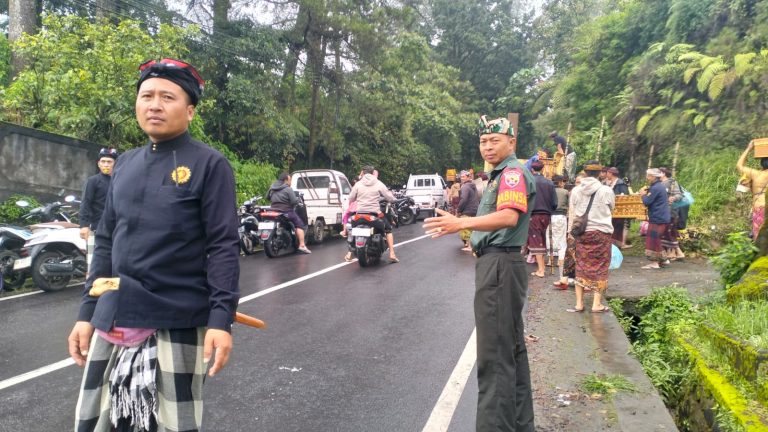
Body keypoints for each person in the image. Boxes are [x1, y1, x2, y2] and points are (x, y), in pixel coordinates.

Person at [68, 58, 240, 431]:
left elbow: (223, 245)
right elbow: (106, 240)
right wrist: (86, 313)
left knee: (171, 425)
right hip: (114, 314)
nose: (154, 105)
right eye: (146, 96)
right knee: (99, 423)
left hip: (176, 320)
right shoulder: (125, 164)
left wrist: (220, 319)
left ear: (190, 110)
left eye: (167, 97)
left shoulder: (210, 165)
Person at [424, 115, 535, 432]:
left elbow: (509, 217)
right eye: (483, 141)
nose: (488, 147)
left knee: (494, 357)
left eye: (495, 140)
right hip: (501, 264)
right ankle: (520, 425)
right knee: (511, 349)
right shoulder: (501, 174)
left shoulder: (511, 174)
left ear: (511, 142)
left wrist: (461, 223)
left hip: (499, 266)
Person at [566, 162, 615, 313]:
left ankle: (579, 304)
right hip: (601, 232)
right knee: (601, 266)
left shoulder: (576, 190)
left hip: (582, 233)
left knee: (580, 264)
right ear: (600, 173)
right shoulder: (606, 190)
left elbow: (573, 210)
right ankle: (596, 304)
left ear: (585, 173)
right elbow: (612, 208)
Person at [348, 165, 399, 263]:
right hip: (373, 215)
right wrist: (394, 200)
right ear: (372, 173)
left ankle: (349, 253)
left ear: (363, 173)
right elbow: (389, 197)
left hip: (359, 215)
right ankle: (392, 254)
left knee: (352, 230)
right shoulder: (378, 183)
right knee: (388, 229)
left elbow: (351, 198)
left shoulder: (358, 184)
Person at [79, 148, 119, 269]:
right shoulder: (93, 181)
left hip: (117, 229)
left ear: (115, 164)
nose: (106, 165)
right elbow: (86, 202)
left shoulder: (120, 181)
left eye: (109, 162)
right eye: (103, 161)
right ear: (98, 164)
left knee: (115, 263)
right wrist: (84, 225)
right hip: (96, 229)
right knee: (93, 263)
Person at [268, 172, 311, 254]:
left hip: (273, 210)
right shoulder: (288, 189)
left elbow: (267, 197)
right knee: (299, 224)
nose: (290, 182)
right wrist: (298, 201)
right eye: (290, 180)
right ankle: (302, 245)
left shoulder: (272, 187)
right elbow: (294, 201)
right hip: (286, 211)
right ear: (285, 180)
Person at [527, 160, 557, 278]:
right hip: (546, 215)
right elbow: (554, 203)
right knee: (541, 239)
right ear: (543, 169)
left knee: (536, 240)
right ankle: (542, 267)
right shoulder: (549, 183)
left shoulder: (529, 181)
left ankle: (541, 270)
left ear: (532, 169)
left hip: (534, 214)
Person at [736, 140, 768, 239]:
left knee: (758, 237)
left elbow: (739, 165)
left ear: (762, 164)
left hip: (760, 207)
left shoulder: (756, 174)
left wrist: (749, 148)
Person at [640, 168, 670, 269]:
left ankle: (654, 263)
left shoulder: (656, 188)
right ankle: (663, 260)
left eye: (648, 176)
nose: (647, 178)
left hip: (658, 217)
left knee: (652, 240)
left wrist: (643, 195)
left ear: (653, 177)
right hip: (661, 216)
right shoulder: (659, 186)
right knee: (656, 239)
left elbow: (647, 201)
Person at [548, 175, 569, 289]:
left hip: (550, 215)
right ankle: (559, 260)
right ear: (560, 182)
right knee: (561, 238)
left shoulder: (549, 191)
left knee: (550, 237)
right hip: (561, 216)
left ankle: (550, 259)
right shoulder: (565, 192)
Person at [659, 167, 685, 261]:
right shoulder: (659, 183)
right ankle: (672, 253)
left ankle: (677, 252)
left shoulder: (672, 183)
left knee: (669, 232)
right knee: (667, 232)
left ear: (663, 173)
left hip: (670, 211)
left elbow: (679, 195)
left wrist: (673, 198)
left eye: (659, 172)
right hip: (662, 211)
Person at [603, 167, 631, 249]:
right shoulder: (608, 183)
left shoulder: (621, 184)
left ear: (611, 174)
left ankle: (617, 246)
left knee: (617, 228)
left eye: (607, 173)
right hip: (610, 210)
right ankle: (609, 245)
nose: (606, 174)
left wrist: (618, 197)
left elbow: (626, 197)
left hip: (619, 211)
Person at [457, 169, 481, 252]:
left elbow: (463, 199)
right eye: (461, 177)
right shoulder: (473, 186)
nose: (462, 178)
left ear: (468, 177)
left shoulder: (465, 187)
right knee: (472, 228)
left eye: (463, 177)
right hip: (475, 209)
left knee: (465, 228)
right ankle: (470, 244)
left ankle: (469, 245)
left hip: (467, 210)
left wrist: (459, 210)